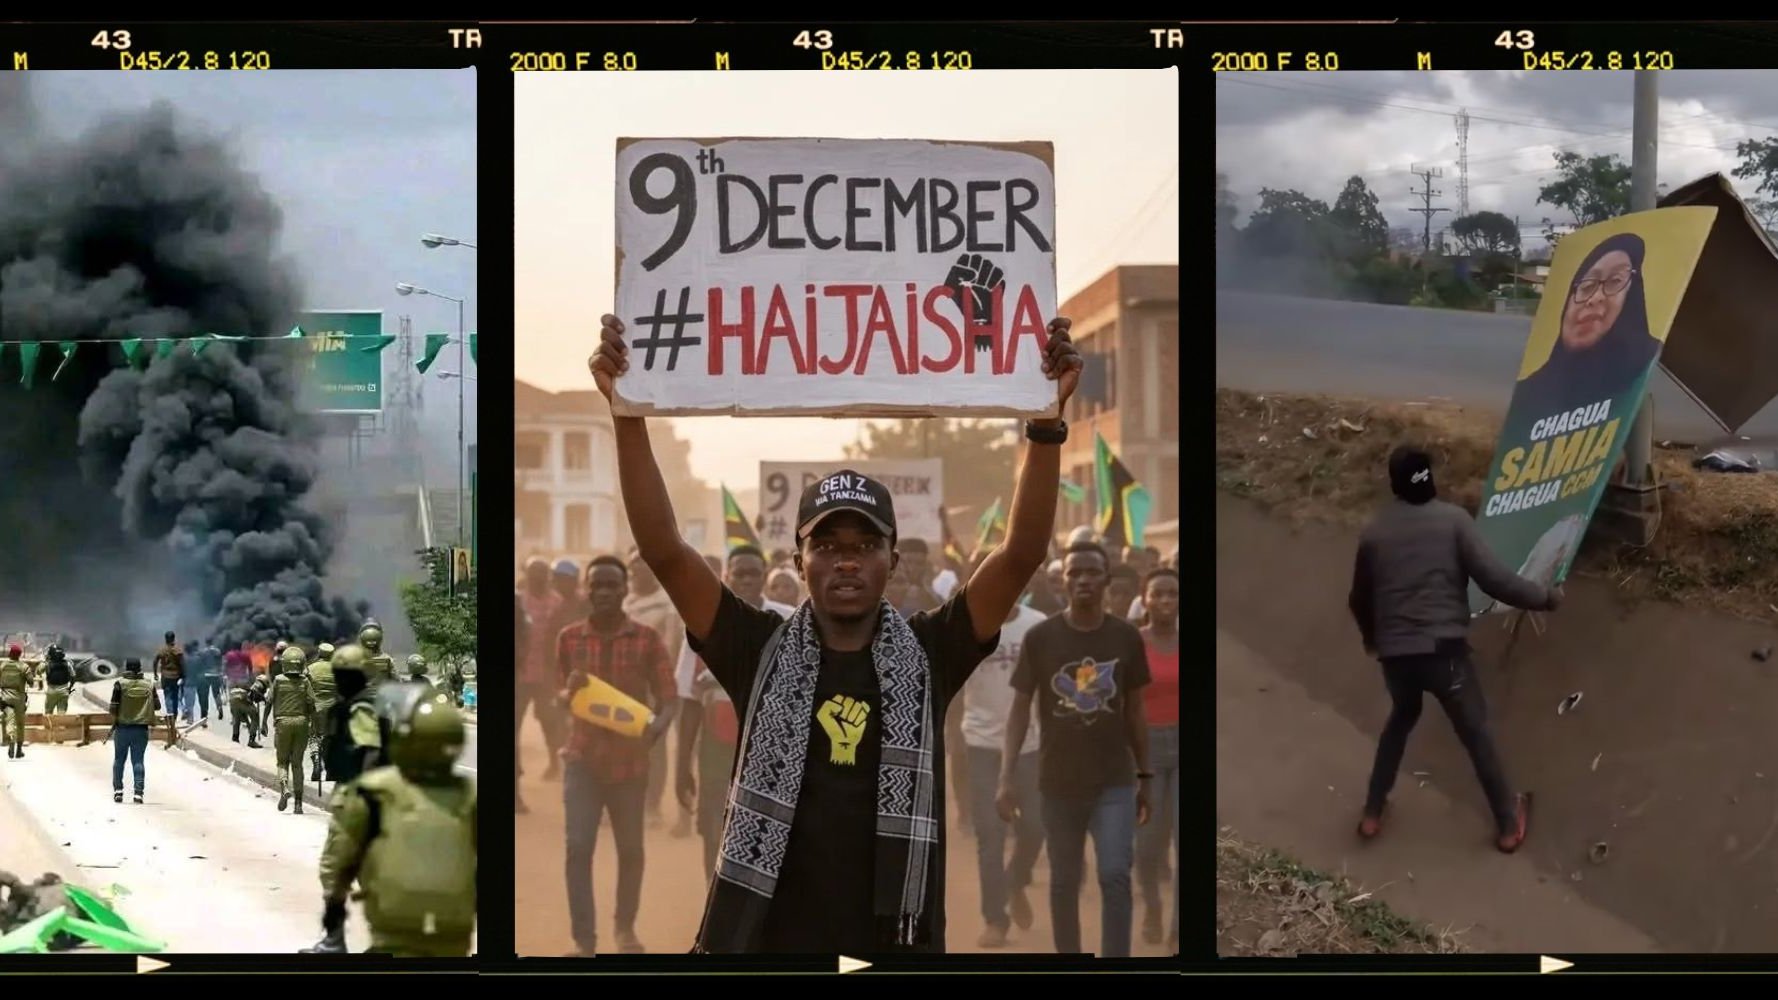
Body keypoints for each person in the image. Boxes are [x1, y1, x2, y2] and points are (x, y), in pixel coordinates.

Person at [590, 309, 1080, 953]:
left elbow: (1020, 554)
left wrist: (1045, 426)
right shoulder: (756, 647)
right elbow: (664, 549)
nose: (846, 558)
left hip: (886, 940)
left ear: (892, 561)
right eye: (826, 544)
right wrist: (627, 412)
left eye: (865, 543)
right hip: (774, 937)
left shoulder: (934, 650)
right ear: (798, 563)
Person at [1349, 445, 1561, 853]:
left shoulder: (1374, 533)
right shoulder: (1453, 522)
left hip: (1396, 658)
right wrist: (1546, 598)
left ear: (1393, 484)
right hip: (1444, 655)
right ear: (1430, 479)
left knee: (1401, 719)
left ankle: (1373, 812)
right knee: (1475, 732)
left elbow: (1359, 599)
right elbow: (1496, 581)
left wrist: (1373, 641)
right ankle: (1507, 822)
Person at [1003, 540, 1153, 958]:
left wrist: (1146, 776)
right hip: (1058, 783)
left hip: (1115, 782)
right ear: (1062, 581)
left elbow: (1135, 712)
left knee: (1114, 875)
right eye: (1075, 572)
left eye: (1092, 572)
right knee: (1065, 881)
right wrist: (1005, 777)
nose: (1083, 579)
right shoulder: (1040, 638)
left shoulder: (1125, 637)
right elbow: (1019, 711)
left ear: (1107, 579)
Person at [557, 556, 678, 956]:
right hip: (582, 759)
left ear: (626, 590)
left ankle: (625, 929)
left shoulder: (646, 639)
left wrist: (657, 729)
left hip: (630, 764)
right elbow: (561, 698)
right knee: (578, 848)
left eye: (612, 585)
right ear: (586, 590)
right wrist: (566, 693)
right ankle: (583, 940)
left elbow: (668, 698)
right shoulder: (569, 639)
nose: (604, 592)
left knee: (630, 850)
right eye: (597, 585)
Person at [306, 686, 475, 957]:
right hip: (454, 934)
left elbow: (334, 865)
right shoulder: (471, 796)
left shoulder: (374, 791)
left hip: (394, 931)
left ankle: (334, 941)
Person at [674, 544, 796, 878]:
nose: (745, 580)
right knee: (714, 832)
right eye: (739, 573)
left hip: (776, 749)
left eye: (753, 573)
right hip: (717, 748)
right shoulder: (701, 624)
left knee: (773, 833)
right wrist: (682, 764)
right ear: (726, 576)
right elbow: (689, 701)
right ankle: (716, 910)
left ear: (764, 578)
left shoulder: (790, 621)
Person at [958, 569, 1049, 949]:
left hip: (1030, 747)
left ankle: (1014, 881)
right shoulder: (965, 629)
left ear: (1024, 586)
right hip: (981, 746)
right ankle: (995, 918)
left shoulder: (1038, 627)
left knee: (1035, 828)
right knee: (990, 837)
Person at [1506, 232, 1660, 438]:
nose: (1594, 298)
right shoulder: (1530, 393)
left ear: (1633, 298)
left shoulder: (1639, 376)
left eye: (1615, 281)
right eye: (1586, 286)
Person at [622, 547, 684, 832]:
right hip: (625, 687)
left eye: (644, 567)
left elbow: (672, 648)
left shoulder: (669, 606)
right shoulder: (626, 603)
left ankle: (653, 805)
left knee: (655, 747)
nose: (638, 572)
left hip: (658, 687)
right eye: (634, 568)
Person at [1134, 567, 1179, 953]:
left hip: (1183, 745)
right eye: (1158, 594)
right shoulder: (1134, 642)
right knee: (1147, 845)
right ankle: (1151, 907)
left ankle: (1178, 929)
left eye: (1172, 594)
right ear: (1144, 599)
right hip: (1145, 748)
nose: (1166, 601)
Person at [518, 557, 567, 807]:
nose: (537, 578)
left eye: (542, 573)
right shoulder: (518, 601)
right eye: (533, 573)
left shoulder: (557, 602)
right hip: (521, 672)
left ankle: (554, 762)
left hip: (547, 672)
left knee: (549, 720)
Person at [323, 644, 384, 787]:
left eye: (348, 676)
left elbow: (372, 752)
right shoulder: (343, 707)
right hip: (345, 783)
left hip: (356, 787)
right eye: (339, 675)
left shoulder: (361, 707)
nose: (341, 681)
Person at [270, 646, 317, 814]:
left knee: (282, 761)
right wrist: (315, 725)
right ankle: (298, 804)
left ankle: (284, 788)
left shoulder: (278, 680)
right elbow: (312, 703)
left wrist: (262, 723)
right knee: (297, 764)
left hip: (282, 723)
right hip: (301, 723)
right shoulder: (305, 681)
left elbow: (269, 701)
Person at [109, 658, 161, 804]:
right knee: (138, 761)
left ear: (126, 668)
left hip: (122, 728)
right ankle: (138, 793)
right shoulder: (149, 685)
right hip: (141, 729)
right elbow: (157, 706)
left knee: (119, 760)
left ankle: (118, 791)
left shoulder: (120, 684)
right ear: (139, 668)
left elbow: (113, 708)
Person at [308, 643, 339, 784]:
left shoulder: (310, 668)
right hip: (333, 708)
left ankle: (316, 761)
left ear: (319, 653)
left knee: (314, 736)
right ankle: (331, 770)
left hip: (316, 707)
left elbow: (304, 687)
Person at [227, 650, 264, 748]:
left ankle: (235, 738)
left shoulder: (231, 677)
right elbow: (253, 690)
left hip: (232, 696)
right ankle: (251, 740)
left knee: (236, 716)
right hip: (242, 696)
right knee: (255, 715)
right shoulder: (245, 677)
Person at [153, 631, 184, 727]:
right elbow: (183, 664)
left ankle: (170, 715)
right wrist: (183, 675)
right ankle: (174, 716)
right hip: (176, 676)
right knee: (175, 696)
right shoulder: (178, 650)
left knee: (168, 696)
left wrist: (155, 673)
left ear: (165, 638)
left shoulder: (162, 650)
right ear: (174, 638)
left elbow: (155, 661)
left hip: (165, 676)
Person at [0, 645, 26, 759]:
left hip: (5, 697)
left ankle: (11, 740)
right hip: (19, 698)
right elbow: (30, 680)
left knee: (9, 720)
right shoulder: (23, 666)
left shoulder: (3, 665)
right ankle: (19, 750)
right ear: (19, 655)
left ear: (10, 654)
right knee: (20, 723)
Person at [41, 645, 74, 717]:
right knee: (62, 713)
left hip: (51, 691)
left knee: (48, 713)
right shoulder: (67, 663)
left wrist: (45, 660)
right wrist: (70, 688)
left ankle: (49, 727)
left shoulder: (47, 664)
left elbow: (38, 671)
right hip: (64, 690)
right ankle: (60, 726)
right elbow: (73, 676)